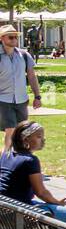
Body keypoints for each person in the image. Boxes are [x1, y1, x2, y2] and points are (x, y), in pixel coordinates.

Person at [0, 121, 66, 227]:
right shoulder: (30, 160)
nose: (43, 140)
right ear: (26, 139)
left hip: (5, 207)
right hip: (18, 212)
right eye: (38, 137)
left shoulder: (6, 154)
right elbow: (41, 192)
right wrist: (57, 202)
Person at [0, 24, 42, 153]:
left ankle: (19, 160)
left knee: (23, 132)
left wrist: (37, 96)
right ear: (2, 38)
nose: (14, 40)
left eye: (15, 37)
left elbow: (32, 76)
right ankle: (5, 161)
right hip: (3, 100)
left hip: (21, 100)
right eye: (10, 37)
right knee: (11, 130)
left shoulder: (24, 55)